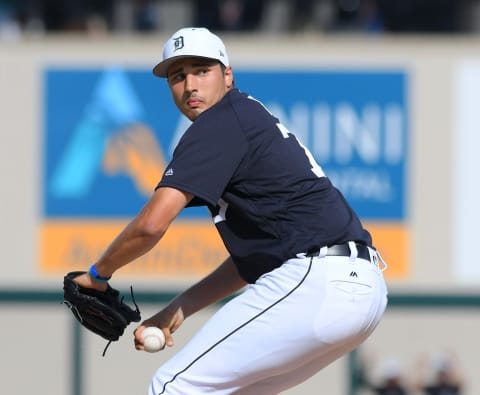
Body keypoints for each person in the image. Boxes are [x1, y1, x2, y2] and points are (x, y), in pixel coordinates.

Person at [72, 27, 389, 395]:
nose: (190, 85)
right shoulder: (244, 118)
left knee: (172, 386)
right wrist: (180, 309)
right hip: (357, 290)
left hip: (318, 281)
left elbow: (152, 224)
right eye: (178, 76)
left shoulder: (220, 122)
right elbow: (251, 261)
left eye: (201, 70)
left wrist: (98, 273)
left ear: (227, 74)